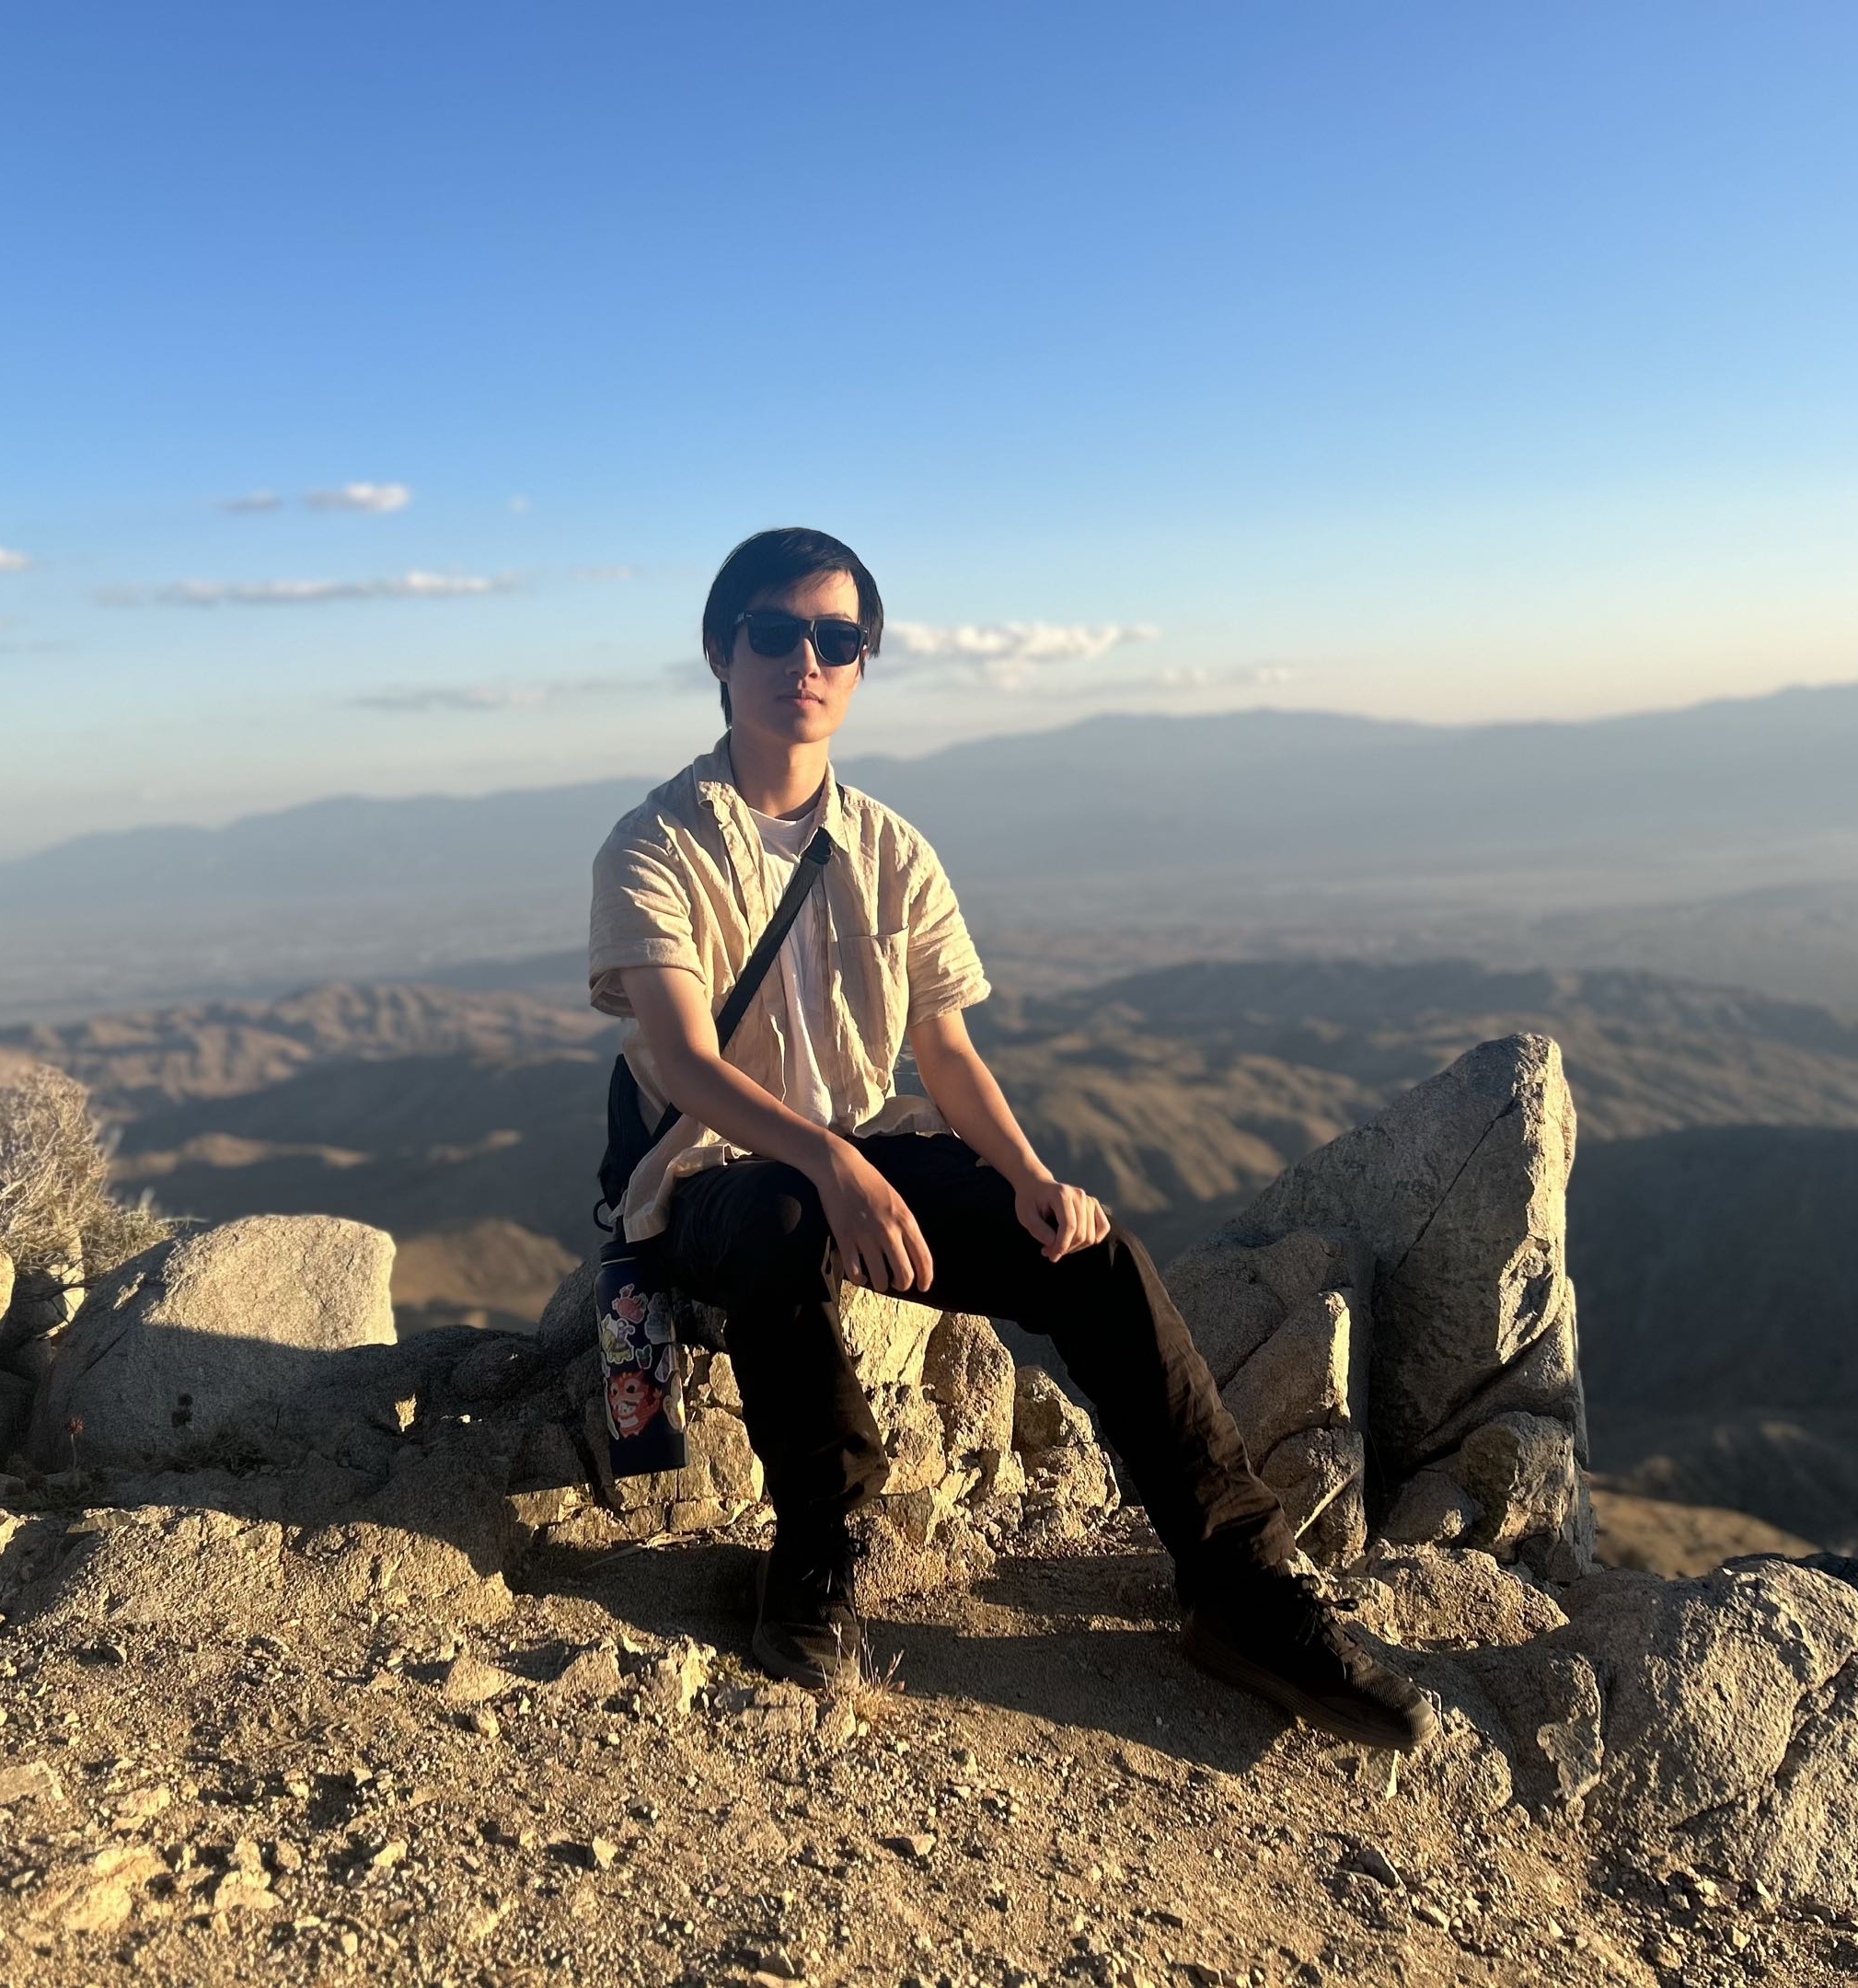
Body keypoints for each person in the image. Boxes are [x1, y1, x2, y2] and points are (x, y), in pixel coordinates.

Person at [586, 526, 1435, 1751]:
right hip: (714, 1177)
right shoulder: (656, 844)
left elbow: (945, 1049)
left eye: (837, 639)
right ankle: (818, 1550)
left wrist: (1033, 1179)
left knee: (1089, 1257)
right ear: (721, 652)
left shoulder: (890, 850)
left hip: (859, 1152)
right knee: (779, 1216)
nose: (806, 661)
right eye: (775, 632)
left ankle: (1242, 1587)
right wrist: (830, 1164)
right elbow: (683, 1063)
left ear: (862, 663)